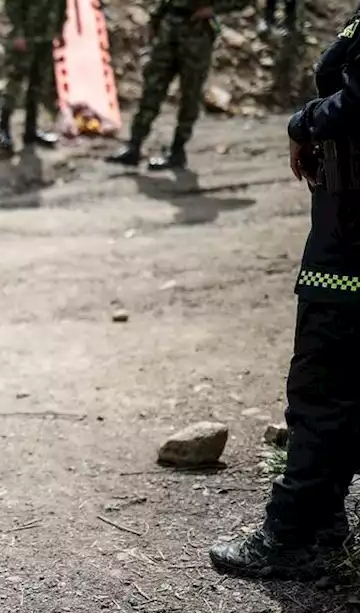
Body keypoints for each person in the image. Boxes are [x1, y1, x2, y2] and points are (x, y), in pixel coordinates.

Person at [209, 7, 360, 582]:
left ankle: (293, 534)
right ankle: (321, 520)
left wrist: (304, 122)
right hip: (343, 224)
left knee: (323, 381)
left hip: (351, 244)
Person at [104, 0, 244, 170]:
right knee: (152, 87)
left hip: (196, 34)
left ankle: (177, 152)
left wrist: (213, 9)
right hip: (169, 30)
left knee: (190, 93)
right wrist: (156, 18)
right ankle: (134, 145)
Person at [0, 0, 65, 155]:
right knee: (15, 83)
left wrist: (60, 29)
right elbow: (12, 5)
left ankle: (31, 131)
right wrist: (19, 33)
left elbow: (62, 5)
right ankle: (2, 131)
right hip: (26, 37)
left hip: (45, 37)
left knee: (38, 84)